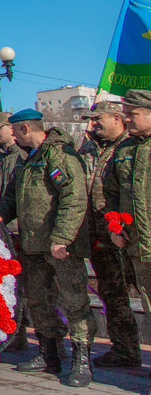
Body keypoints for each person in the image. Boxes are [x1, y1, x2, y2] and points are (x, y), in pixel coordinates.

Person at [0, 108, 93, 386]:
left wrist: (62, 237)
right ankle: (49, 353)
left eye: (15, 131)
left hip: (60, 247)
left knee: (75, 302)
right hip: (33, 246)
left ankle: (81, 360)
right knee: (38, 301)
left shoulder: (60, 155)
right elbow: (12, 197)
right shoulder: (27, 160)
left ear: (26, 129)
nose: (13, 137)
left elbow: (74, 198)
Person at [78, 101, 139, 368]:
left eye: (98, 118)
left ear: (117, 118)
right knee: (112, 295)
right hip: (100, 237)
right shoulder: (89, 147)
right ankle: (125, 349)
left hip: (129, 236)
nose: (94, 124)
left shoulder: (132, 145)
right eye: (91, 120)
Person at [105, 89, 151, 372]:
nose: (127, 118)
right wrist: (114, 226)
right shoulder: (124, 149)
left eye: (132, 113)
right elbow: (111, 194)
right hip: (137, 248)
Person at [0, 112, 30, 349]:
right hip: (1, 231)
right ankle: (14, 335)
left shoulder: (24, 155)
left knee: (28, 286)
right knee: (7, 287)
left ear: (12, 129)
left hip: (21, 230)